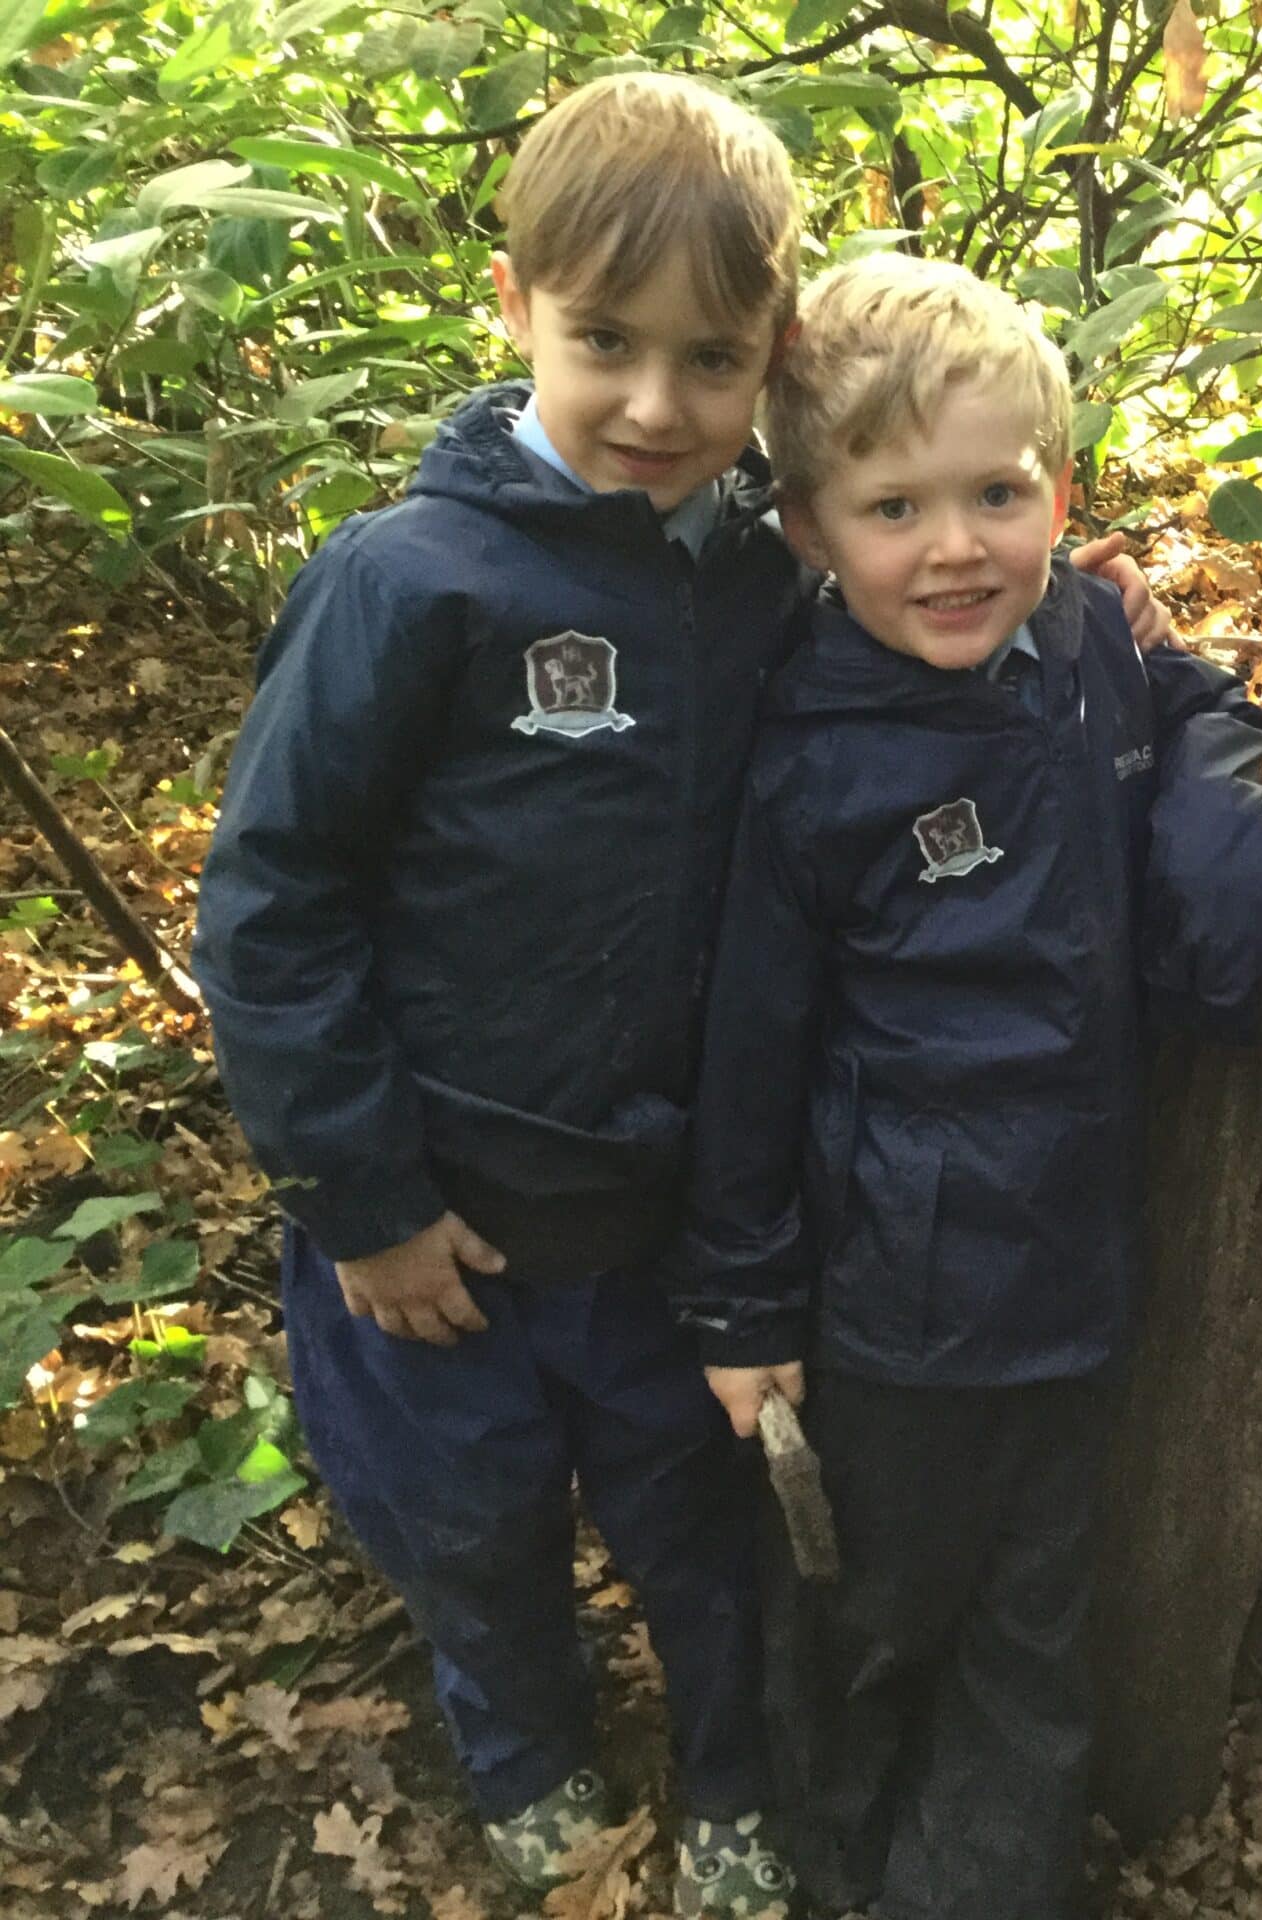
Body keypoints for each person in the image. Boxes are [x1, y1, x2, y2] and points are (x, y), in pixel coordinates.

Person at [192, 73, 1165, 1917]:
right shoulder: (411, 585)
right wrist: (363, 1196)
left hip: (652, 1217)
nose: (655, 403)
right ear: (516, 308)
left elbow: (920, 609)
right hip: (441, 1221)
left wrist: (1078, 630)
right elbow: (273, 907)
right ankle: (524, 1749)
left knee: (702, 1530)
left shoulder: (758, 574)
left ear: (772, 353)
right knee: (470, 1527)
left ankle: (732, 1780)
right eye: (606, 344)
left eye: (711, 359)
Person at [667, 252, 1262, 1920]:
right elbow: (748, 1053)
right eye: (895, 509)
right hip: (897, 1308)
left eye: (996, 495)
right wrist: (742, 1306)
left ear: (1059, 494)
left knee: (1035, 1621)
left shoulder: (1081, 640)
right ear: (811, 530)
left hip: (1081, 1273)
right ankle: (836, 1862)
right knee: (873, 1606)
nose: (956, 547)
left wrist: (1217, 834)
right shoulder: (814, 756)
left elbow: (1197, 704)